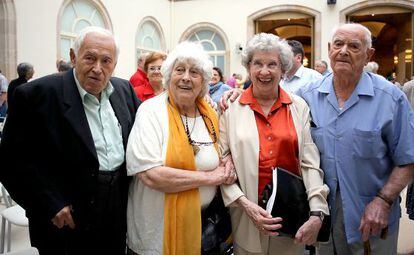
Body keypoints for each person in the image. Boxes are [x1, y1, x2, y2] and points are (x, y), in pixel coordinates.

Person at [0, 26, 140, 255]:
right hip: (65, 216)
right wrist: (50, 203)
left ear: (115, 64)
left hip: (116, 208)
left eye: (106, 61)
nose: (97, 69)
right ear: (73, 57)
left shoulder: (124, 91)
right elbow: (10, 162)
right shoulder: (36, 94)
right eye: (90, 58)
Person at [298, 23, 414, 255]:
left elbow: (407, 159)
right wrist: (235, 97)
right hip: (323, 223)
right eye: (338, 44)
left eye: (353, 46)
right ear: (329, 49)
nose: (343, 51)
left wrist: (384, 200)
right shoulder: (306, 97)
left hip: (371, 222)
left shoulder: (391, 99)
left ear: (368, 54)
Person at [219, 33, 329, 255]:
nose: (264, 71)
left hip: (289, 217)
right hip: (245, 215)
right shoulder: (230, 109)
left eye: (272, 64)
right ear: (248, 67)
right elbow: (221, 165)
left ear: (284, 69)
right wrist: (245, 205)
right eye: (257, 63)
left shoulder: (298, 107)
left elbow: (309, 162)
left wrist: (317, 210)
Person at [125, 41, 236, 255]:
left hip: (203, 230)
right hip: (158, 232)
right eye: (180, 70)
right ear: (168, 76)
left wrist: (228, 160)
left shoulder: (210, 113)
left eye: (194, 72)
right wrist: (211, 178)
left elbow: (222, 152)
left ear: (204, 82)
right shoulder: (151, 112)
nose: (186, 77)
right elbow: (151, 175)